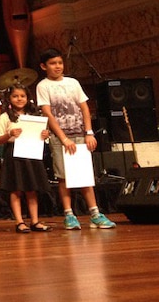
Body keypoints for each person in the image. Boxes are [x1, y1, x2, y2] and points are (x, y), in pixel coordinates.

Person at [36, 48, 116, 230]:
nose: (57, 66)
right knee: (64, 176)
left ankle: (95, 213)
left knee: (84, 175)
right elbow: (47, 113)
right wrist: (63, 138)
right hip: (60, 137)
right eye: (52, 63)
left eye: (60, 63)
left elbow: (84, 108)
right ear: (43, 66)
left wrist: (89, 132)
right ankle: (69, 214)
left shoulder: (73, 82)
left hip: (79, 134)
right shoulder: (43, 86)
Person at [0, 83, 53, 233]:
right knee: (16, 189)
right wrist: (10, 134)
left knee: (32, 188)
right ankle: (19, 221)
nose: (19, 99)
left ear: (28, 98)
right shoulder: (5, 117)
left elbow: (43, 135)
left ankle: (34, 220)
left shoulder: (34, 116)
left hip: (32, 154)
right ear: (9, 98)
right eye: (15, 96)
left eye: (22, 96)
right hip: (14, 154)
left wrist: (45, 135)